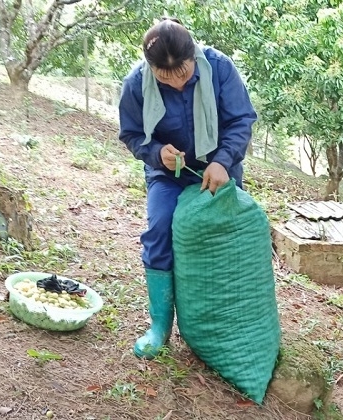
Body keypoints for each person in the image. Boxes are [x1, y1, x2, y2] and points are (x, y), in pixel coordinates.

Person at [117, 17, 258, 359]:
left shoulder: (220, 69)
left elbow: (241, 120)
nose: (178, 83)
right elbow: (132, 134)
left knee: (224, 239)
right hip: (168, 174)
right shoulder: (136, 84)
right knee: (160, 230)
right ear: (151, 69)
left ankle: (225, 323)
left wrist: (223, 160)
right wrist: (155, 152)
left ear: (194, 55)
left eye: (183, 73)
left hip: (219, 168)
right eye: (166, 78)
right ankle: (160, 327)